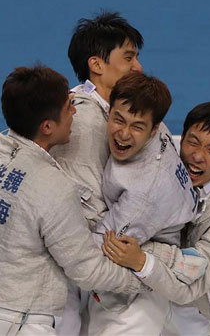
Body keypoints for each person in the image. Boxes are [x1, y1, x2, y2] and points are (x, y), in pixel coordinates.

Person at [0, 65, 147, 336]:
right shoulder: (53, 187)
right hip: (20, 324)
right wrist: (145, 276)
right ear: (48, 126)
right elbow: (87, 270)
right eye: (68, 107)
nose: (75, 111)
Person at [104, 101, 210, 335]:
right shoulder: (166, 171)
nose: (198, 156)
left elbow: (191, 287)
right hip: (172, 315)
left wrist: (141, 259)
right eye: (193, 142)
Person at [84, 72, 201, 336]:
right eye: (118, 119)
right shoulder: (152, 121)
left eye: (137, 126)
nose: (123, 134)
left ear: (154, 128)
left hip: (133, 301)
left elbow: (101, 248)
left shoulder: (144, 193)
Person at [49, 11, 143, 335]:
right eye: (129, 58)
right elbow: (84, 213)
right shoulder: (85, 122)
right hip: (58, 278)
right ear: (97, 64)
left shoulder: (105, 114)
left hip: (78, 272)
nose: (138, 68)